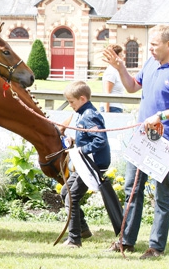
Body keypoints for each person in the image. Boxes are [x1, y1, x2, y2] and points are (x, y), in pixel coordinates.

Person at [102, 24, 169, 259]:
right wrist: (120, 68)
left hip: (164, 143)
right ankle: (126, 241)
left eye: (154, 45)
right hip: (142, 138)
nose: (150, 49)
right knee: (131, 189)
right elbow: (133, 87)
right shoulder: (151, 64)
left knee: (161, 195)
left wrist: (162, 116)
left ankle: (156, 247)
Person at [60, 80, 111, 248]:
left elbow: (100, 141)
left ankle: (74, 240)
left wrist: (79, 150)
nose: (70, 105)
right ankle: (83, 230)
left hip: (93, 165)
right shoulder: (84, 113)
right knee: (64, 193)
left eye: (71, 102)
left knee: (72, 198)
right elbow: (90, 137)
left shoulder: (90, 115)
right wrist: (75, 140)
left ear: (82, 99)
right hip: (85, 163)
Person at [100, 44, 125, 113]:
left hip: (117, 107)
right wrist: (107, 112)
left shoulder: (116, 70)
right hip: (112, 108)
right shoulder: (111, 72)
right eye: (121, 54)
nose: (123, 56)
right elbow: (107, 93)